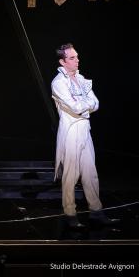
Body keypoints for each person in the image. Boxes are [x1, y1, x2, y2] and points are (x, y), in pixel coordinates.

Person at [52, 43, 119, 228]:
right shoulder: (59, 82)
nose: (77, 60)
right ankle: (70, 214)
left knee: (90, 173)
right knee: (71, 175)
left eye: (77, 56)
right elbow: (75, 107)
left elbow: (95, 103)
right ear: (62, 62)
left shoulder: (81, 79)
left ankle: (96, 211)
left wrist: (84, 105)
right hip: (71, 130)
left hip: (84, 128)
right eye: (72, 58)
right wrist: (85, 104)